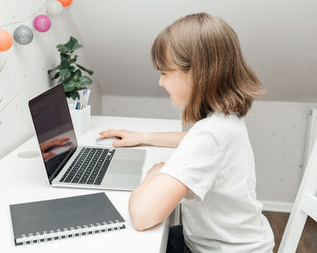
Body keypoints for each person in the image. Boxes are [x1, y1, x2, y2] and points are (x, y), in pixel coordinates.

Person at [99, 13, 274, 252]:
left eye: (165, 72)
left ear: (199, 73)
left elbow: (142, 216)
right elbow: (193, 140)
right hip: (231, 242)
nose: (160, 82)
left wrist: (156, 173)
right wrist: (143, 137)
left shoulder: (210, 134)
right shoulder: (222, 121)